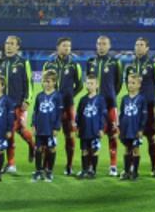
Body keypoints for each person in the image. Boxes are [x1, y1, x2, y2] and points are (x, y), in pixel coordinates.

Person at [42, 36, 83, 177]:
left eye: (69, 46)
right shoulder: (48, 64)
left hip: (67, 106)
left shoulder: (74, 64)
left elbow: (79, 85)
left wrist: (70, 95)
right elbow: (44, 83)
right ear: (58, 47)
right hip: (51, 107)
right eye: (64, 45)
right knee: (48, 135)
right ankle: (47, 166)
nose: (67, 48)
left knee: (69, 135)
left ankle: (69, 165)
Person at [123, 37, 155, 177]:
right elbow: (127, 86)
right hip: (134, 109)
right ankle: (132, 168)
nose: (138, 47)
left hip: (149, 107)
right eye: (136, 44)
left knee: (150, 137)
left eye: (141, 45)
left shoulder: (153, 65)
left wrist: (153, 102)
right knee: (132, 138)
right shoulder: (130, 66)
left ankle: (154, 167)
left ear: (147, 48)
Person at [0, 35, 35, 175]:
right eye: (7, 43)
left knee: (10, 132)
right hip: (2, 105)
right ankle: (33, 145)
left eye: (12, 44)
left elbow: (29, 83)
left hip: (17, 104)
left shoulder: (22, 62)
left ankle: (11, 164)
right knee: (18, 130)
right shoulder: (1, 63)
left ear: (18, 47)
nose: (8, 46)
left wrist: (27, 100)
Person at [31, 69, 63, 182]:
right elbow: (35, 111)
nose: (46, 84)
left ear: (54, 82)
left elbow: (59, 113)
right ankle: (38, 171)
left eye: (49, 81)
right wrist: (33, 124)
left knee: (51, 148)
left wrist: (57, 127)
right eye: (45, 81)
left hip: (51, 128)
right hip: (40, 127)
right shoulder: (39, 96)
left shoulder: (58, 96)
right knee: (38, 149)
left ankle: (49, 171)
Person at [75, 74, 107, 179]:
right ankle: (84, 170)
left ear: (97, 85)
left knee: (94, 150)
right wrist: (77, 127)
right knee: (84, 150)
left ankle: (92, 170)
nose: (89, 85)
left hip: (95, 130)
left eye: (92, 83)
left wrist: (102, 128)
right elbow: (78, 114)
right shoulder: (82, 100)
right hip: (84, 129)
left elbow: (103, 115)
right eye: (88, 83)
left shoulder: (101, 99)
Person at [119, 70, 147, 181]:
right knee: (126, 149)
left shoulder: (142, 99)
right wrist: (120, 128)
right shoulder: (124, 98)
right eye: (129, 82)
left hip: (136, 129)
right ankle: (126, 171)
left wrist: (141, 129)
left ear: (139, 85)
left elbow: (144, 116)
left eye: (133, 83)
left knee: (136, 149)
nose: (130, 85)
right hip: (126, 129)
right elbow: (122, 114)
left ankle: (135, 172)